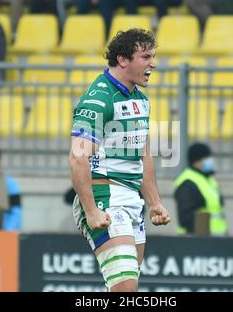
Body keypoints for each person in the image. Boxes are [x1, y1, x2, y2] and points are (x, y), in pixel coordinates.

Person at [68, 28, 171, 292]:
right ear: (123, 59)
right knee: (125, 287)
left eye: (153, 56)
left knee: (125, 288)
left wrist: (154, 202)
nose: (153, 64)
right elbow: (78, 157)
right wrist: (91, 210)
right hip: (105, 194)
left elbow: (142, 153)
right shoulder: (98, 98)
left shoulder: (140, 99)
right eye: (146, 57)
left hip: (132, 199)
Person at [173, 142, 227, 236]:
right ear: (196, 161)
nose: (210, 161)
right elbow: (186, 218)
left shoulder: (209, 180)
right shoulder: (187, 182)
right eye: (206, 158)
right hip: (196, 240)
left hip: (215, 239)